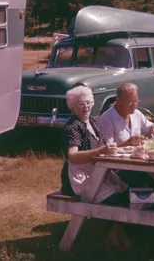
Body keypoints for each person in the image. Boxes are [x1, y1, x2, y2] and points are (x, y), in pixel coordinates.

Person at [60, 86, 130, 250]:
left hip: (97, 173)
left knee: (126, 193)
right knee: (116, 199)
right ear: (72, 106)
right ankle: (115, 235)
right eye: (81, 104)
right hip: (78, 178)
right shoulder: (72, 127)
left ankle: (114, 233)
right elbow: (73, 156)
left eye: (89, 103)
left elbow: (104, 146)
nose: (86, 107)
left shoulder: (93, 122)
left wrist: (113, 148)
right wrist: (99, 151)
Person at [99, 83, 154, 201]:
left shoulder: (136, 114)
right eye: (131, 102)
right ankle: (145, 205)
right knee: (152, 174)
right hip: (117, 168)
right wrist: (127, 143)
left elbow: (149, 127)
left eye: (136, 101)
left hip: (138, 161)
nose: (135, 105)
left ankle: (151, 204)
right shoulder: (107, 119)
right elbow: (104, 150)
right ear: (118, 101)